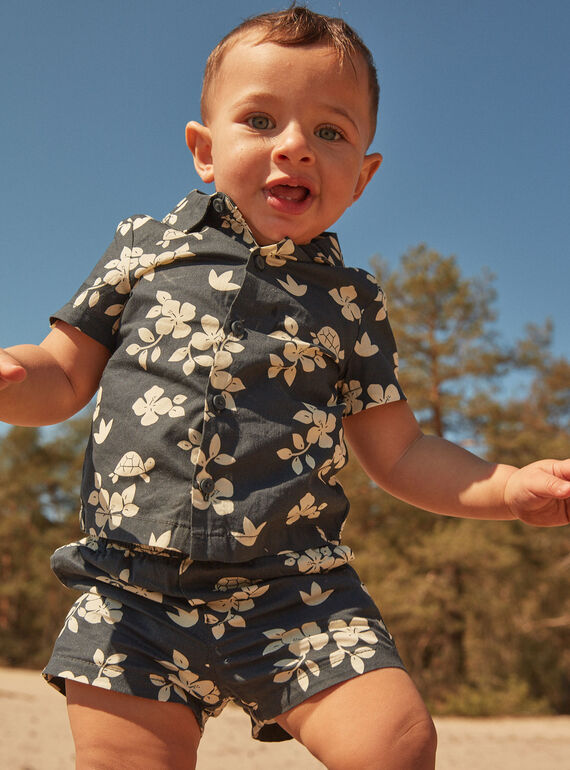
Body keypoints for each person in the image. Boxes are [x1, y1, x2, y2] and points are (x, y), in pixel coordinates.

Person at [0, 7, 568, 770]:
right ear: (205, 150)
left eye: (330, 132)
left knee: (397, 742)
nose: (295, 146)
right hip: (135, 592)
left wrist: (506, 486)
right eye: (261, 119)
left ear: (363, 176)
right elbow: (62, 374)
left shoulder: (351, 303)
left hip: (297, 592)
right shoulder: (145, 248)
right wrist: (13, 379)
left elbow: (398, 454)